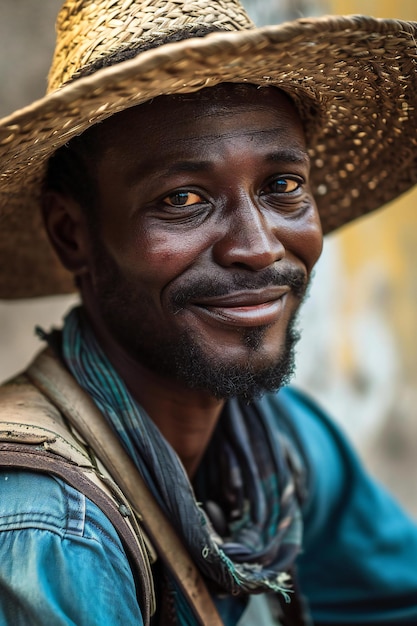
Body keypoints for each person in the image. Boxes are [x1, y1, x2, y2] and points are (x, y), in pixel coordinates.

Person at [0, 1, 417, 624]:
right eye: (184, 198)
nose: (258, 247)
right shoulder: (49, 529)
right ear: (72, 234)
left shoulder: (278, 438)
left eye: (282, 186)